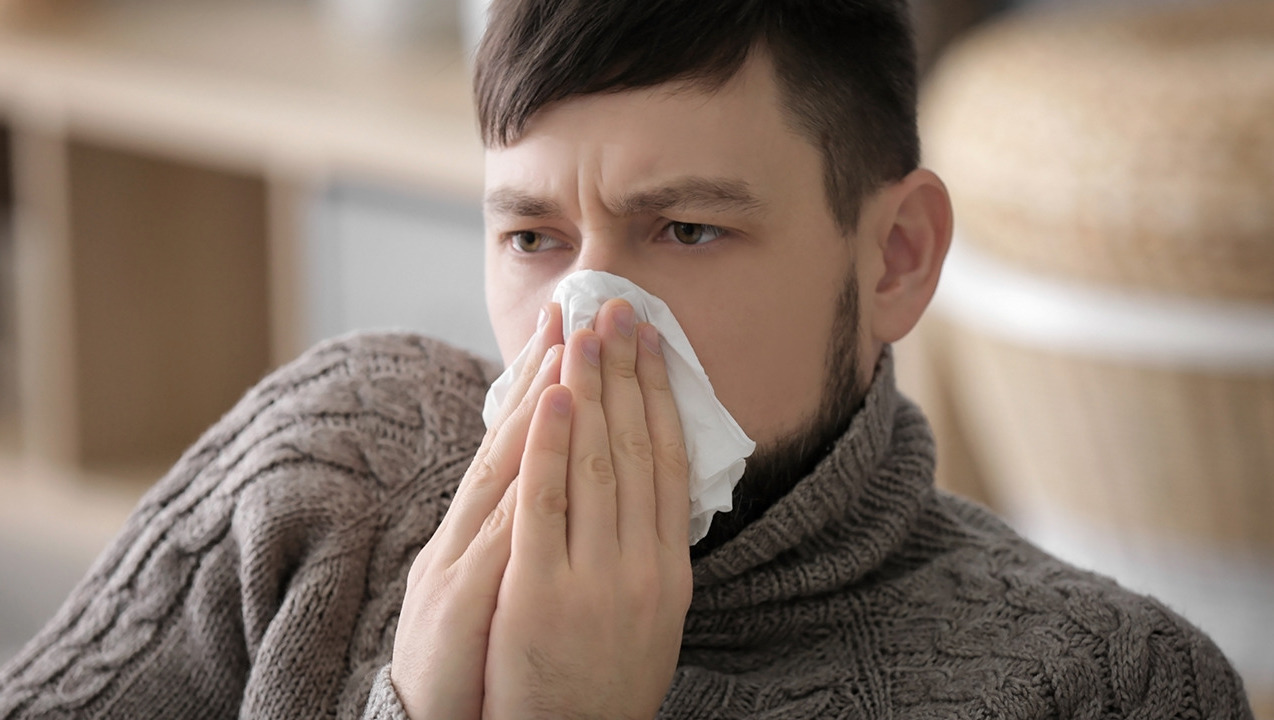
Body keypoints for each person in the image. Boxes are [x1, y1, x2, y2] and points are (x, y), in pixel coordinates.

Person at [0, 0, 1254, 718]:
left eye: (688, 229)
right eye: (533, 236)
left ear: (893, 258)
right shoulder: (326, 466)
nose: (584, 323)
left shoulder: (1102, 687)